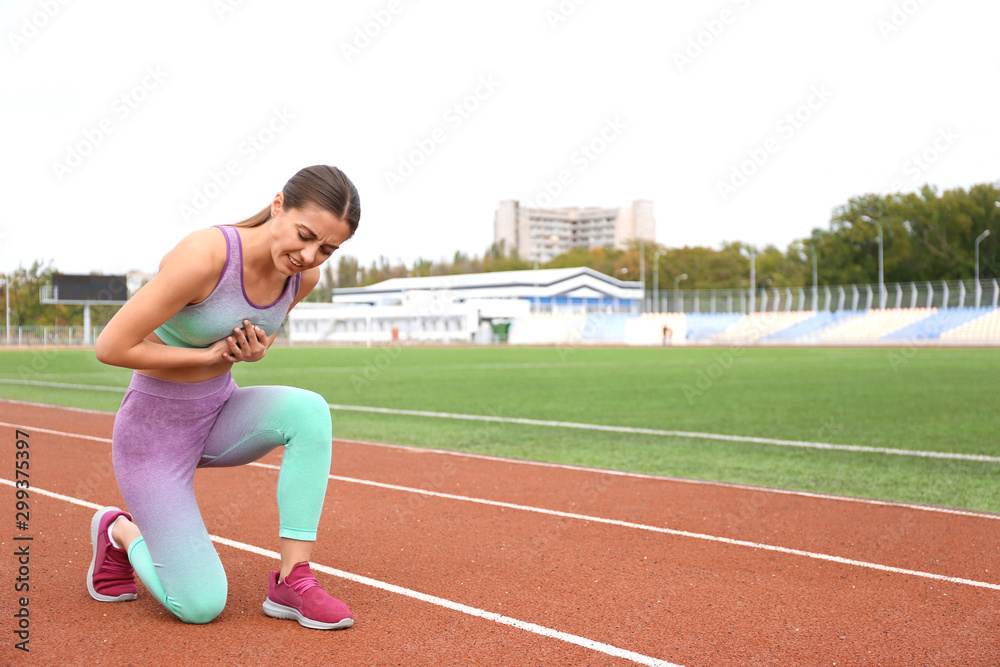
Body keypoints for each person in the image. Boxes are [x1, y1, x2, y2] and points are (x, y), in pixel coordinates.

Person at [89, 165, 360, 630]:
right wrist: (206, 356)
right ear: (278, 206)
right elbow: (111, 346)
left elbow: (262, 334)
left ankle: (293, 579)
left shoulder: (303, 279)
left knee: (309, 411)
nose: (310, 255)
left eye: (327, 249)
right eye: (305, 234)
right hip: (153, 437)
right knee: (200, 607)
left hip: (218, 414)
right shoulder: (206, 254)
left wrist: (252, 352)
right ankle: (118, 530)